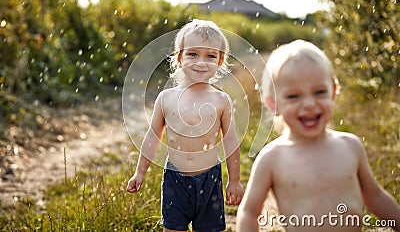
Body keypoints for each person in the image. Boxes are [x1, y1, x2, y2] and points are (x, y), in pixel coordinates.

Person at [236, 39, 400, 231]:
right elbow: (249, 212)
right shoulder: (272, 158)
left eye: (319, 92)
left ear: (334, 93)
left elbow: (375, 196)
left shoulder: (350, 146)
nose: (309, 104)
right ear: (274, 104)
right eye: (293, 96)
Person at [126, 19, 244, 232]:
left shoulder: (221, 100)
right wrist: (140, 172)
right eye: (192, 54)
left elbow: (231, 142)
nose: (201, 62)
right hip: (175, 179)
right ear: (179, 58)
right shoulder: (166, 98)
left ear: (220, 61)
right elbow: (153, 137)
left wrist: (234, 181)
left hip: (210, 179)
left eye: (210, 55)